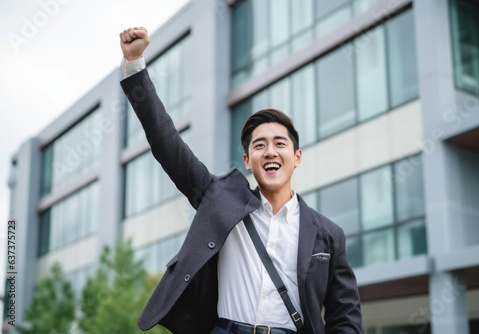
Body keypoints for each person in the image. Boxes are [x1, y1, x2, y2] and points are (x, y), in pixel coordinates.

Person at [119, 27, 362, 334]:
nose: (269, 151)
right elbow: (165, 142)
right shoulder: (219, 199)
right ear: (247, 161)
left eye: (280, 143)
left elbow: (345, 316)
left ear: (297, 156)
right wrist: (135, 64)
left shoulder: (329, 235)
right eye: (259, 145)